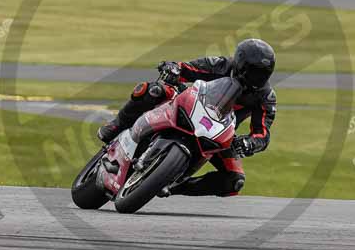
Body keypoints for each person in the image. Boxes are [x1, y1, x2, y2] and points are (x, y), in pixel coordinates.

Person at [97, 38, 277, 197]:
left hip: (217, 132)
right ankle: (117, 125)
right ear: (240, 63)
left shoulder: (265, 97)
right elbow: (186, 68)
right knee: (153, 90)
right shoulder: (221, 65)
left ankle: (174, 185)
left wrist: (250, 143)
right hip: (190, 104)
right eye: (253, 71)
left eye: (262, 74)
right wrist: (173, 68)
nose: (256, 78)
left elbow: (262, 133)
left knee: (234, 181)